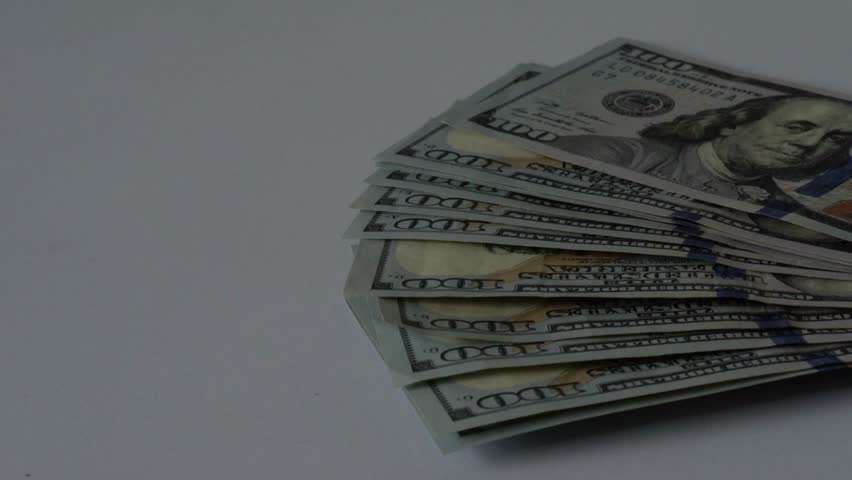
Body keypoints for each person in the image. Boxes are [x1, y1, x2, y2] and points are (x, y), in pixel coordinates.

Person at [553, 95, 852, 241]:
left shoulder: (785, 215)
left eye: (835, 138)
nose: (810, 144)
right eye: (796, 127)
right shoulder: (610, 154)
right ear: (733, 124)